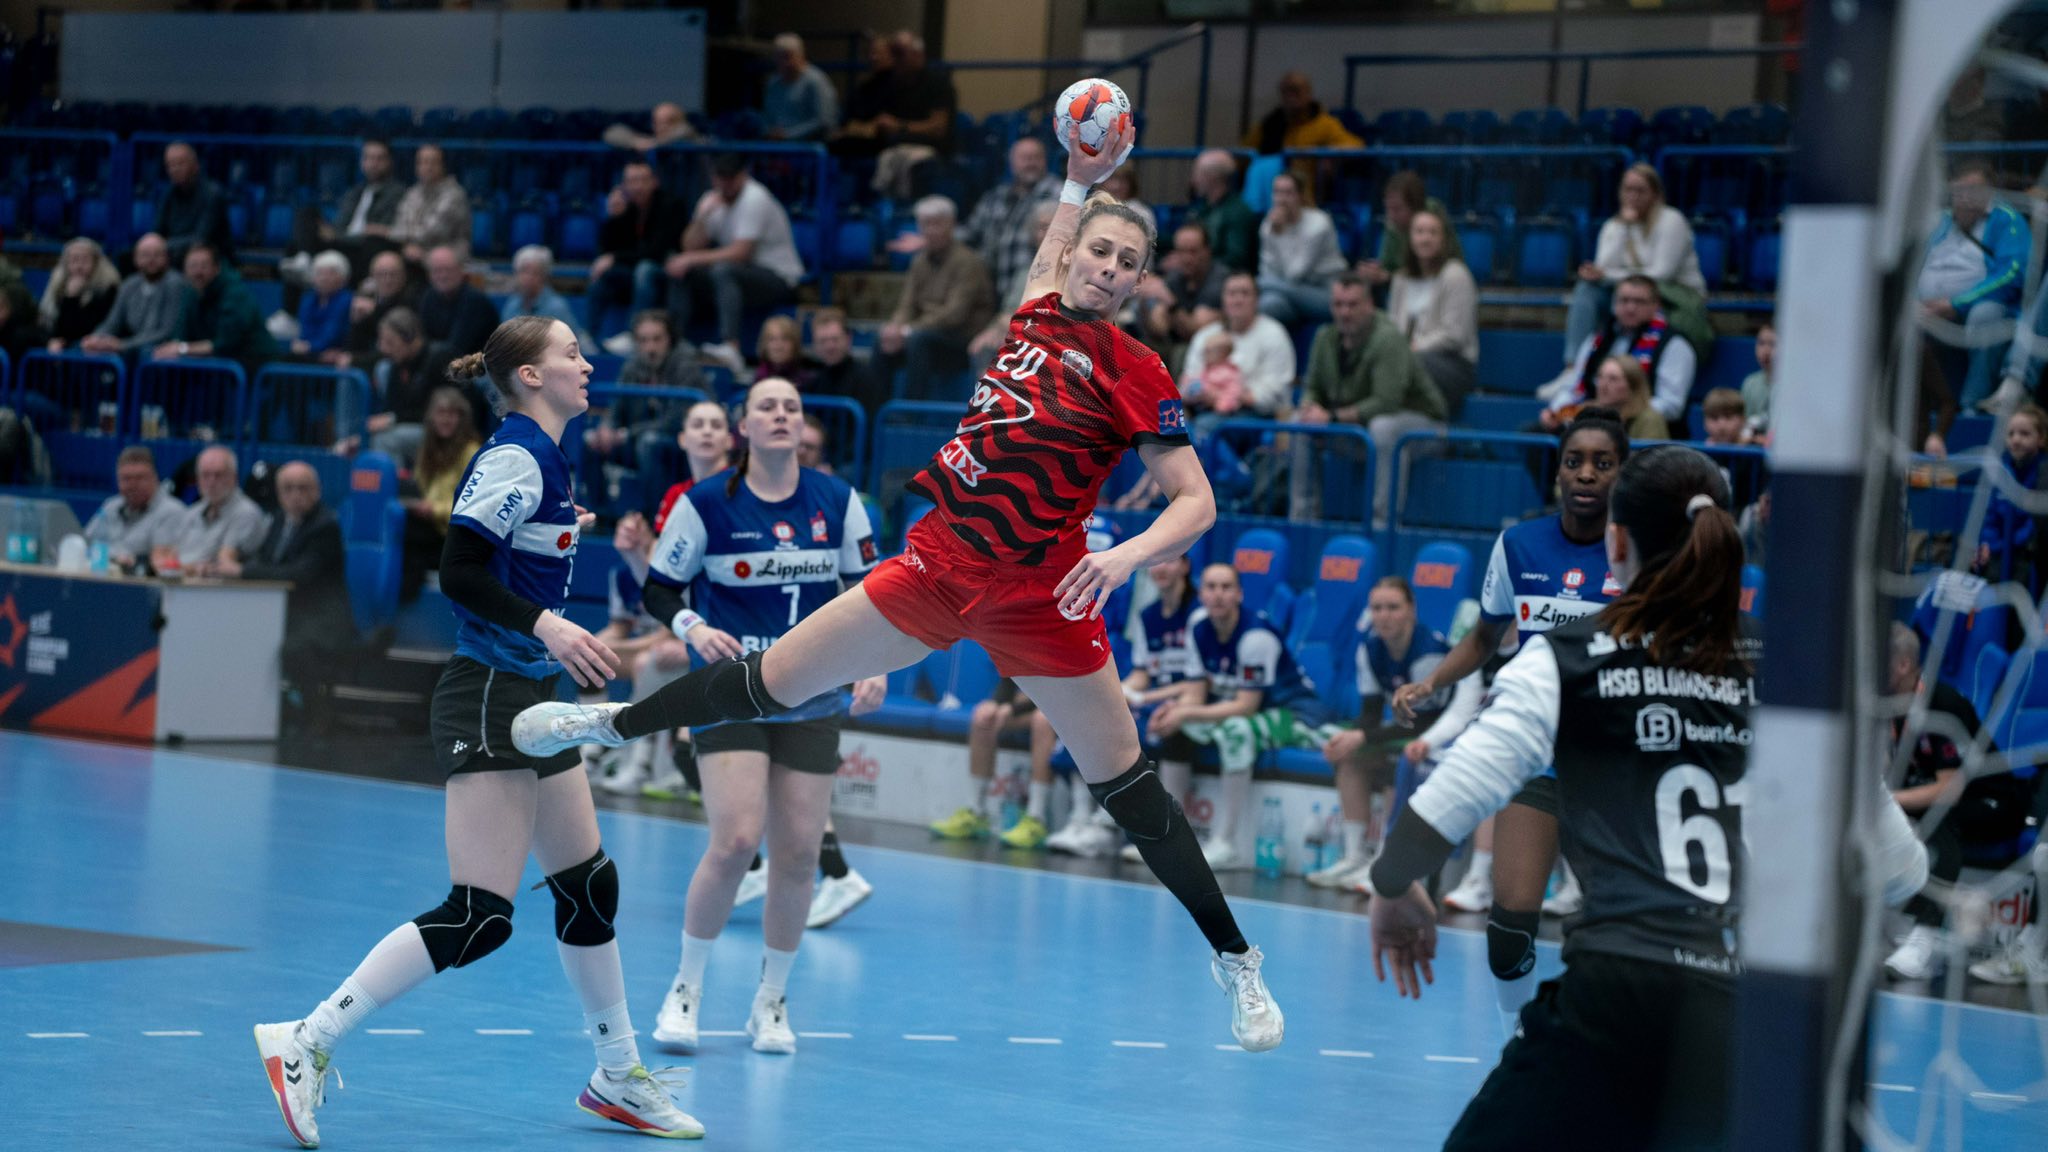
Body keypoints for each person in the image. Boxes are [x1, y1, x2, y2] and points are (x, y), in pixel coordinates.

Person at [513, 120, 1288, 1053]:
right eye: (1100, 252)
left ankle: (1237, 961)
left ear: (1139, 281)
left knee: (1125, 782)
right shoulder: (1036, 311)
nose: (1110, 268)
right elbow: (1049, 247)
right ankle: (608, 724)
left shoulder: (1137, 371)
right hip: (939, 566)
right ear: (1075, 257)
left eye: (1129, 262)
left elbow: (1196, 503)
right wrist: (1078, 178)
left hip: (1043, 596)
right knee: (767, 680)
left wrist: (1124, 557)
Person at [1366, 444, 1928, 1151]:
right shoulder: (1794, 673)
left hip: (1618, 990)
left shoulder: (1565, 656)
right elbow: (1902, 870)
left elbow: (1450, 797)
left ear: (1617, 544)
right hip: (1754, 1005)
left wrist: (1393, 886)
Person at [254, 317, 703, 1146]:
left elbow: (507, 554)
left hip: (527, 688)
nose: (588, 362)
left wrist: (559, 545)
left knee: (588, 885)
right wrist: (550, 624)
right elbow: (456, 569)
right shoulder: (515, 455)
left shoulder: (547, 457)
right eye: (572, 352)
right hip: (490, 693)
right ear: (530, 376)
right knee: (479, 915)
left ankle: (617, 1076)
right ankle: (305, 1040)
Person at [616, 377, 885, 1056]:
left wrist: (875, 662)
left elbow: (872, 591)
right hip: (732, 689)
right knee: (736, 840)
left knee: (797, 856)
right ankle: (685, 990)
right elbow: (660, 590)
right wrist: (694, 628)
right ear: (745, 426)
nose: (781, 415)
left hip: (813, 694)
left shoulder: (838, 500)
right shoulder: (706, 502)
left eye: (792, 407)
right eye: (767, 406)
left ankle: (771, 1002)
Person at [1391, 408, 1630, 1028]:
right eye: (1575, 461)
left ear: (1622, 475)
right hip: (1536, 753)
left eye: (1603, 463)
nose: (1586, 474)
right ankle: (1518, 1040)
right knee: (1509, 928)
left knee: (1613, 929)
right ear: (1558, 472)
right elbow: (1484, 637)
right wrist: (1432, 682)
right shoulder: (1519, 545)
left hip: (1612, 761)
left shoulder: (1638, 552)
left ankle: (1607, 1047)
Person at [1150, 563, 1337, 870]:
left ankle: (1228, 842)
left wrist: (1185, 712)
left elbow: (1246, 706)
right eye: (1211, 587)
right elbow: (1195, 692)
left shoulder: (1256, 637)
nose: (1218, 595)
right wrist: (1175, 710)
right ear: (1201, 594)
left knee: (1236, 730)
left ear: (1239, 594)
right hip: (1243, 709)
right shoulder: (1198, 626)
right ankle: (1172, 836)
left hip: (1293, 712)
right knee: (1175, 728)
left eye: (1226, 588)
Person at [1312, 576, 1480, 890]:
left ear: (1411, 610)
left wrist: (1363, 737)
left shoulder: (1429, 651)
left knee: (1395, 759)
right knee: (1349, 757)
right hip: (1408, 730)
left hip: (1442, 735)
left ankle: (1383, 858)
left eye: (1393, 607)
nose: (1384, 616)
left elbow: (1425, 721)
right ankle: (1354, 856)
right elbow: (1370, 714)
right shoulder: (1370, 649)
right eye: (1377, 608)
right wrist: (1349, 737)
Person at [1295, 272, 1447, 524]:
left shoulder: (1388, 338)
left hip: (1423, 427)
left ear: (1370, 305)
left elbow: (1386, 402)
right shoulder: (1324, 337)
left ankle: (1382, 524)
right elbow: (1312, 386)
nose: (1344, 312)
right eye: (1338, 305)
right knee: (1299, 423)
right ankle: (1302, 520)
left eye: (1352, 305)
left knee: (1383, 427)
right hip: (1360, 429)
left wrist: (1331, 417)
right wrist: (1309, 407)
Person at [214, 461, 354, 732]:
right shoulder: (279, 520)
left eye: (303, 488)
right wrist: (230, 567)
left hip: (322, 618)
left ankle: (317, 711)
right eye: (288, 489)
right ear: (278, 493)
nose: (296, 495)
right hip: (284, 610)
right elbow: (265, 559)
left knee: (294, 648)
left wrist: (241, 571)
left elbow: (298, 574)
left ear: (317, 491)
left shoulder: (325, 526)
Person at [1093, 553, 1203, 862]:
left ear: (1185, 566)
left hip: (1192, 700)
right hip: (1158, 696)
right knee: (1101, 717)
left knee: (1162, 724)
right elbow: (1142, 674)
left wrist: (1145, 699)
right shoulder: (1147, 615)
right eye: (1156, 562)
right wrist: (1117, 694)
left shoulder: (1198, 614)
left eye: (1170, 561)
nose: (1161, 568)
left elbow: (1198, 684)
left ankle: (1169, 832)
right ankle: (1099, 819)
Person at [585, 510, 699, 799]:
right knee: (587, 658)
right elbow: (619, 627)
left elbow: (667, 635)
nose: (628, 536)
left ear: (651, 533)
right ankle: (592, 746)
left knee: (645, 663)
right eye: (622, 530)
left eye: (634, 529)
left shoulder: (673, 570)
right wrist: (589, 644)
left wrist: (616, 648)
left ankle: (640, 763)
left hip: (679, 650)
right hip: (649, 646)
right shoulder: (622, 575)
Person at [665, 155, 806, 375]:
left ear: (743, 175)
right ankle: (675, 343)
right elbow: (689, 246)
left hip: (779, 279)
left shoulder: (755, 197)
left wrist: (690, 259)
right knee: (682, 271)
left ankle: (731, 346)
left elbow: (741, 253)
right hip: (740, 279)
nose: (725, 184)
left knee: (723, 270)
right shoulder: (711, 199)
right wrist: (702, 217)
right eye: (720, 178)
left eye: (730, 178)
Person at [1563, 163, 1708, 365]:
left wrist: (1608, 276)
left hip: (1675, 296)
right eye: (1628, 190)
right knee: (1587, 289)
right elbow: (1604, 267)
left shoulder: (1671, 220)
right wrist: (1624, 228)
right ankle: (1574, 366)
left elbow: (1662, 273)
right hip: (1631, 290)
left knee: (1629, 298)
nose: (1633, 196)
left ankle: (1631, 366)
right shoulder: (1614, 225)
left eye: (1640, 190)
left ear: (1655, 194)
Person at [1918, 162, 2028, 411]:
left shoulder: (2006, 220)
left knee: (1985, 315)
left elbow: (2012, 274)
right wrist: (1911, 302)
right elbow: (1914, 265)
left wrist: (1956, 304)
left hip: (1986, 309)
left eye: (1973, 191)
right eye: (1959, 192)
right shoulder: (1939, 223)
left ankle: (1971, 407)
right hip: (1929, 310)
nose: (1965, 198)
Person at [1541, 274, 1695, 429]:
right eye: (1624, 300)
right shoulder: (1597, 338)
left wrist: (1614, 411)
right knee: (1539, 430)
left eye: (1639, 301)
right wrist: (1557, 412)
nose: (1630, 308)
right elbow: (1573, 388)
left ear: (1656, 305)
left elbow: (1671, 405)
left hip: (1642, 429)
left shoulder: (1675, 345)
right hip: (1592, 424)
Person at [881, 194, 995, 402]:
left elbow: (955, 314)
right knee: (883, 340)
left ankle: (911, 412)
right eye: (926, 224)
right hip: (927, 333)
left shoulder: (968, 262)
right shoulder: (919, 261)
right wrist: (895, 327)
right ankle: (877, 411)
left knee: (918, 340)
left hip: (962, 339)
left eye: (937, 224)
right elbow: (907, 304)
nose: (931, 230)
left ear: (951, 225)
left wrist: (908, 330)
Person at [1387, 208, 1479, 420]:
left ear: (1444, 239)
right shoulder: (1401, 278)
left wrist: (1412, 348)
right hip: (1406, 357)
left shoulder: (1456, 275)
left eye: (1433, 232)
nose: (1425, 238)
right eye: (1419, 232)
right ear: (1410, 238)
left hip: (1453, 364)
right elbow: (1392, 325)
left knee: (1412, 362)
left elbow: (1454, 336)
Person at [953, 138, 1060, 307]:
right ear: (1011, 162)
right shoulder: (996, 196)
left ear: (1045, 160)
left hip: (1033, 287)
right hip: (991, 286)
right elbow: (970, 231)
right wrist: (937, 236)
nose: (1030, 163)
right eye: (1024, 158)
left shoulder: (1059, 193)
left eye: (1036, 157)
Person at [1178, 273, 1296, 423]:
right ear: (1223, 299)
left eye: (1245, 293)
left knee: (1206, 424)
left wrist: (1231, 396)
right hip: (1201, 406)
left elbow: (1278, 391)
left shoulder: (1274, 334)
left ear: (1257, 300)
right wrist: (1198, 392)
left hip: (1254, 414)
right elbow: (1189, 379)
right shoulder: (1205, 335)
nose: (1238, 300)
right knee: (1166, 420)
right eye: (1232, 294)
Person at [400, 385, 483, 599]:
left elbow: (473, 505)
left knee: (409, 535)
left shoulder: (471, 452)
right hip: (430, 527)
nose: (446, 420)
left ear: (462, 418)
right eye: (441, 413)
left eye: (452, 414)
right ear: (432, 417)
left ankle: (401, 600)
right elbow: (420, 486)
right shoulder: (428, 449)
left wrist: (433, 509)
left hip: (454, 536)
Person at [591, 161, 686, 344]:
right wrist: (614, 218)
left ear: (655, 182)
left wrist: (615, 258)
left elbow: (656, 251)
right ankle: (589, 336)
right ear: (624, 185)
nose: (638, 186)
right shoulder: (628, 209)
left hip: (665, 270)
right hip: (634, 268)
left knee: (644, 269)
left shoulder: (671, 205)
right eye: (632, 181)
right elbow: (605, 251)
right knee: (602, 274)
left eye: (643, 180)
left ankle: (634, 334)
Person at [156, 244, 280, 373]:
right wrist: (174, 346)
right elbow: (180, 333)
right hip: (219, 369)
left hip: (254, 366)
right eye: (192, 266)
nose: (198, 272)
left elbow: (225, 344)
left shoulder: (235, 294)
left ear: (216, 268)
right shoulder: (190, 293)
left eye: (204, 266)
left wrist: (182, 348)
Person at [1243, 71, 1363, 192]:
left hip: (1307, 192)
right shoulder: (1269, 124)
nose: (1291, 96)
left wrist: (1328, 154)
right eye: (1285, 91)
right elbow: (1243, 152)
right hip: (1272, 190)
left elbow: (1356, 146)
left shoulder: (1325, 124)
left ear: (1308, 93)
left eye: (1296, 91)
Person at [1256, 171, 1347, 329]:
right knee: (1269, 304)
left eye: (1288, 193)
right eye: (1277, 192)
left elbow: (1295, 274)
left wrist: (1279, 234)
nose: (1281, 199)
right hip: (1287, 295)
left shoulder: (1318, 223)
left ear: (1300, 196)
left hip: (1325, 294)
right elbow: (1267, 270)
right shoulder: (1268, 226)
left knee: (1261, 284)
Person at [81, 233, 190, 357]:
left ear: (167, 258)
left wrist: (123, 345)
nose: (151, 260)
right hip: (134, 348)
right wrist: (96, 338)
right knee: (86, 349)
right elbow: (113, 322)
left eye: (157, 254)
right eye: (145, 255)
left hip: (162, 351)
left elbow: (166, 332)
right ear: (135, 258)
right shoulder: (129, 284)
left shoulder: (176, 284)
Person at [1973, 404, 2045, 589]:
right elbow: (1990, 517)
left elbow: (2035, 525)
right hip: (1999, 551)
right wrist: (1987, 543)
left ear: (2041, 439)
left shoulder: (2043, 474)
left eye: (2024, 434)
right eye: (2011, 434)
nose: (2016, 440)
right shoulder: (2000, 471)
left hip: (2026, 555)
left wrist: (2006, 545)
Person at [82, 445, 183, 574]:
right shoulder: (110, 506)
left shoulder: (171, 511)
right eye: (126, 479)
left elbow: (160, 562)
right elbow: (85, 544)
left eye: (140, 478)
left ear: (155, 478)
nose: (133, 485)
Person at [169, 445, 270, 572]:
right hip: (180, 580)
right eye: (205, 475)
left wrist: (179, 568)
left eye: (218, 475)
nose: (211, 482)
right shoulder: (192, 512)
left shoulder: (246, 513)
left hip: (216, 583)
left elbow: (220, 564)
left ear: (234, 477)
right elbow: (172, 556)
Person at [1137, 223, 1226, 366]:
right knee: (1139, 346)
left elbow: (1196, 332)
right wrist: (1145, 299)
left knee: (1181, 352)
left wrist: (1171, 303)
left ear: (1207, 251)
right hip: (1177, 344)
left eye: (1193, 251)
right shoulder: (1176, 277)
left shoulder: (1219, 280)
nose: (1186, 258)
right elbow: (1160, 328)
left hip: (1213, 350)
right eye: (1181, 252)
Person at [364, 308, 439, 464]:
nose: (384, 349)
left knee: (385, 440)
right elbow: (392, 407)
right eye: (382, 342)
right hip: (409, 426)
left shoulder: (437, 359)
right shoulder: (396, 364)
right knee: (368, 437)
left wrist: (393, 419)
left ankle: (393, 481)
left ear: (410, 338)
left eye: (390, 342)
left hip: (438, 430)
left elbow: (436, 413)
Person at [1360, 171, 1459, 291]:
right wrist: (1376, 272)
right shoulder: (1392, 225)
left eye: (1397, 209)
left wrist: (1389, 277)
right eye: (1387, 208)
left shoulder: (1431, 216)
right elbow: (1388, 266)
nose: (1391, 215)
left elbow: (1426, 274)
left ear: (1416, 207)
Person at [417, 246, 498, 368]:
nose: (443, 275)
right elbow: (421, 340)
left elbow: (456, 349)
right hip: (443, 365)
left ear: (461, 271)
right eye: (437, 271)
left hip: (477, 368)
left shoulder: (474, 301)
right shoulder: (429, 297)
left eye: (448, 270)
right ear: (429, 275)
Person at [389, 144, 471, 263]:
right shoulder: (413, 192)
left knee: (438, 257)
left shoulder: (454, 194)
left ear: (443, 166)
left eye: (433, 162)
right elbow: (399, 226)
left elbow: (431, 233)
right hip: (413, 251)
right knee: (385, 261)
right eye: (422, 162)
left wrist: (400, 236)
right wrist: (404, 242)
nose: (427, 167)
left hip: (448, 253)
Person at [156, 141, 234, 266]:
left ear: (196, 165)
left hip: (212, 263)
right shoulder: (168, 194)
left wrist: (163, 247)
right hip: (174, 258)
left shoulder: (213, 194)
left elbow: (201, 239)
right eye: (170, 165)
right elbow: (157, 233)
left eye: (180, 163)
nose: (175, 169)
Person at [501, 245, 593, 347]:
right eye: (522, 271)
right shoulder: (512, 305)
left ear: (544, 276)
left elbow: (567, 347)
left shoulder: (557, 308)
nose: (526, 278)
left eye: (533, 273)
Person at [38, 237, 119, 351]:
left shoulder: (107, 289)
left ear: (96, 263)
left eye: (85, 260)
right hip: (59, 343)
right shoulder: (57, 285)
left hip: (90, 344)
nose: (79, 266)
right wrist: (51, 341)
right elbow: (49, 324)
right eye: (74, 260)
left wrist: (71, 297)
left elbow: (80, 330)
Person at [808, 308, 888, 421]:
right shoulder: (812, 381)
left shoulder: (868, 378)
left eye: (835, 339)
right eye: (823, 341)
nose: (830, 346)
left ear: (848, 339)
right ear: (815, 344)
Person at [1189, 149, 1259, 274]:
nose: (1194, 180)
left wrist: (1197, 264)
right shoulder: (1204, 208)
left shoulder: (1237, 212)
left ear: (1212, 177)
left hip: (1227, 276)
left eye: (1197, 174)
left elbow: (1235, 258)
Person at [343, 250, 418, 368]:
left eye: (393, 274)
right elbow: (354, 347)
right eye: (381, 274)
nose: (387, 280)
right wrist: (357, 321)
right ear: (372, 277)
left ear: (403, 276)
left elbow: (392, 351)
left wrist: (355, 360)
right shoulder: (366, 301)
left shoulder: (410, 303)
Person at [763, 33, 840, 142]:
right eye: (779, 58)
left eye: (788, 57)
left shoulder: (816, 81)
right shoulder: (773, 83)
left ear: (801, 55)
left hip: (811, 146)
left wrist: (788, 135)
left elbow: (824, 121)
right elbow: (768, 116)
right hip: (777, 145)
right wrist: (770, 132)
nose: (784, 63)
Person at [290, 251, 354, 363]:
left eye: (330, 274)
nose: (324, 278)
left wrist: (310, 347)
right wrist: (306, 346)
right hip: (311, 352)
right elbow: (305, 329)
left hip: (336, 354)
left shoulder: (347, 300)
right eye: (319, 273)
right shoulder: (308, 299)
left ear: (342, 278)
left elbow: (333, 332)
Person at [1591, 355, 1669, 442]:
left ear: (1633, 386)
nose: (1602, 385)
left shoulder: (1650, 419)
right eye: (1600, 377)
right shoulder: (1590, 414)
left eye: (1613, 379)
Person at [602, 101, 699, 152]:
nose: (661, 127)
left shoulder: (691, 140)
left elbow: (684, 131)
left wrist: (657, 144)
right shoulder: (649, 144)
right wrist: (635, 142)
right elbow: (611, 133)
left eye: (668, 122)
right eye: (657, 122)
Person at [751, 315, 816, 389]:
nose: (778, 346)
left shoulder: (809, 380)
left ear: (795, 344)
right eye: (772, 339)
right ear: (764, 344)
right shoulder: (759, 377)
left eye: (785, 339)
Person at [1741, 323, 1775, 440]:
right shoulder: (1750, 383)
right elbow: (1744, 424)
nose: (1766, 351)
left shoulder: (1794, 386)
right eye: (1761, 343)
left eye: (1773, 344)